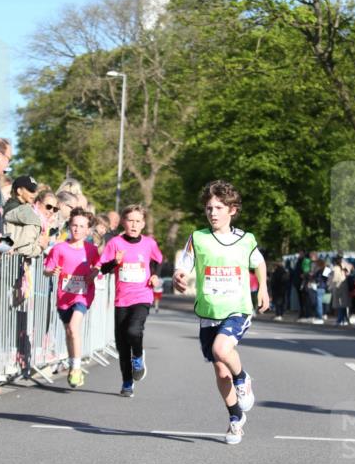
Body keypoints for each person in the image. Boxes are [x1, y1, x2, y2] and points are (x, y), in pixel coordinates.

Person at [173, 180, 268, 445]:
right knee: (220, 371)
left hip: (237, 309)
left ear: (232, 210)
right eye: (209, 208)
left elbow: (258, 263)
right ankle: (236, 418)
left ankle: (243, 378)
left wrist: (263, 289)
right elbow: (184, 266)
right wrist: (179, 277)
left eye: (218, 207)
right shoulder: (198, 237)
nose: (213, 212)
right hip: (208, 312)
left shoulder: (245, 239)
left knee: (221, 350)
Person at [99, 204, 162, 396]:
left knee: (134, 330)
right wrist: (114, 262)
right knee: (121, 344)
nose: (134, 225)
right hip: (121, 299)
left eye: (138, 221)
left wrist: (154, 275)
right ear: (123, 222)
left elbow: (158, 261)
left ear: (143, 224)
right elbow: (103, 269)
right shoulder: (115, 243)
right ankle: (127, 382)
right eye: (130, 220)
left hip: (142, 295)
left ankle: (139, 356)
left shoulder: (149, 243)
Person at [44, 209, 99, 388]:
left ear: (88, 230)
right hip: (64, 296)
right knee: (69, 331)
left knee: (74, 327)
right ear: (69, 226)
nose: (77, 229)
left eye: (81, 226)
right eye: (74, 225)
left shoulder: (91, 249)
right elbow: (47, 270)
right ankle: (72, 363)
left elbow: (98, 267)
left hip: (83, 295)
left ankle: (76, 367)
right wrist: (52, 272)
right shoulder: (59, 248)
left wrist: (94, 273)